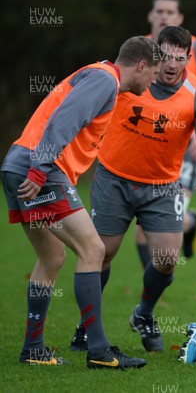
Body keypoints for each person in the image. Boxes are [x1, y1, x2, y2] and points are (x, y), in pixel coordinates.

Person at [1, 36, 161, 368]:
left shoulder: (98, 75)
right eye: (154, 74)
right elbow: (65, 120)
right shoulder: (105, 80)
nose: (153, 82)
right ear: (142, 65)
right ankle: (99, 351)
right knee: (93, 249)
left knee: (53, 256)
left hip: (18, 164)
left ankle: (33, 348)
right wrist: (40, 169)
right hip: (40, 168)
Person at [69, 26, 196, 353]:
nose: (171, 64)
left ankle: (144, 313)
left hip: (163, 186)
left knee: (167, 258)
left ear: (188, 59)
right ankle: (87, 326)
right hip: (114, 179)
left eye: (179, 59)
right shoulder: (131, 79)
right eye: (165, 57)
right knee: (102, 253)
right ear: (154, 55)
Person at [136, 0, 196, 264]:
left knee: (166, 218)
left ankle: (183, 227)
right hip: (148, 146)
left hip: (184, 148)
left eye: (170, 12)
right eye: (160, 11)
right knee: (143, 222)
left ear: (179, 18)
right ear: (150, 15)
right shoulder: (138, 48)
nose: (164, 16)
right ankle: (152, 282)